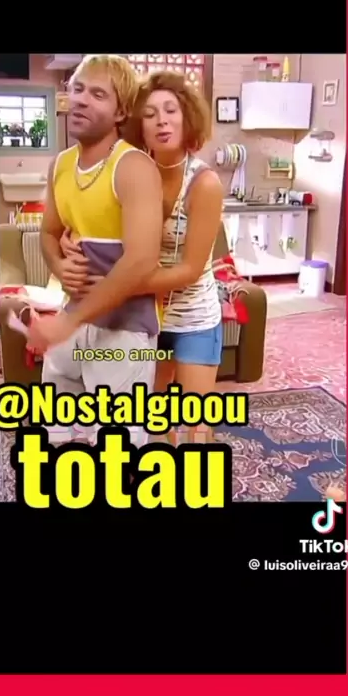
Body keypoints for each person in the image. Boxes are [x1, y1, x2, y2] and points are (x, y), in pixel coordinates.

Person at [60, 70, 223, 446]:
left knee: (197, 426)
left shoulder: (204, 183)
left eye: (171, 110)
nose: (162, 121)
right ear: (138, 126)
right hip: (144, 316)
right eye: (150, 114)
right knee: (153, 420)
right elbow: (90, 222)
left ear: (187, 118)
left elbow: (190, 270)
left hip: (193, 317)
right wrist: (70, 242)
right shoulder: (127, 171)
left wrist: (116, 285)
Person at [28, 54, 164, 447]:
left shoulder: (134, 167)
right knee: (55, 428)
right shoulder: (60, 164)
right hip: (74, 319)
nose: (82, 100)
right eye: (78, 89)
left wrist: (66, 323)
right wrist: (59, 265)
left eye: (98, 94)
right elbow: (48, 233)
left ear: (121, 111)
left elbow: (141, 262)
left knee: (117, 445)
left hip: (125, 330)